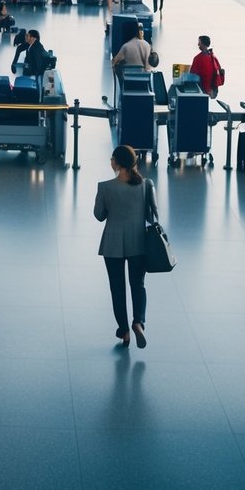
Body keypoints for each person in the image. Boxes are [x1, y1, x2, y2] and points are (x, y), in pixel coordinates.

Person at [93, 145, 151, 348]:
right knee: (138, 285)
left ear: (116, 163)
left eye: (111, 159)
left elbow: (99, 216)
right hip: (138, 243)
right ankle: (138, 322)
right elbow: (153, 216)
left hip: (113, 245)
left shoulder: (105, 187)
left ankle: (124, 331)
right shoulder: (146, 185)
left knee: (117, 288)